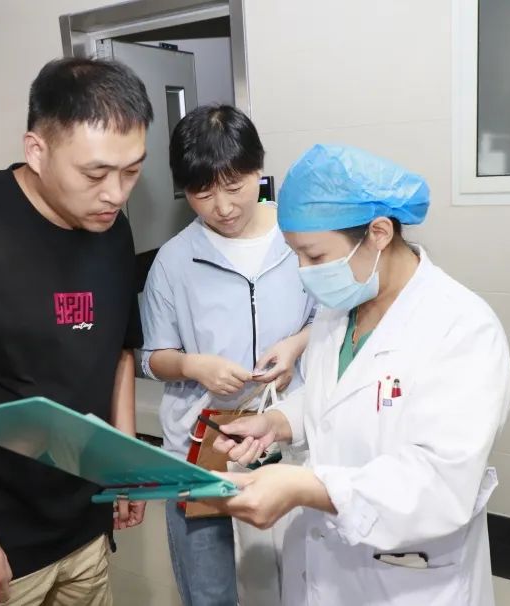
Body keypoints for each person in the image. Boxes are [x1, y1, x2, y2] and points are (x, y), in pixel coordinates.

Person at [210, 144, 510, 605]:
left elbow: (439, 482)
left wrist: (306, 486)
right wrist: (277, 422)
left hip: (408, 578)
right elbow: (334, 396)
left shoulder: (463, 328)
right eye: (295, 255)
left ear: (378, 233)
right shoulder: (341, 308)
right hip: (326, 565)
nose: (304, 272)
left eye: (315, 256)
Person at [0, 57, 153, 605]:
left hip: (85, 525)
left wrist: (124, 461)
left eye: (132, 171)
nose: (117, 194)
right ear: (37, 150)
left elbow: (119, 350)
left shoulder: (112, 230)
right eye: (95, 174)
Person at [138, 105, 315, 606]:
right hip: (202, 446)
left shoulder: (300, 239)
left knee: (296, 583)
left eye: (234, 186)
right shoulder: (174, 260)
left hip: (284, 436)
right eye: (202, 193)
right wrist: (193, 366)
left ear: (258, 169)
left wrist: (296, 345)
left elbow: (332, 321)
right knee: (209, 590)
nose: (222, 207)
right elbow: (152, 357)